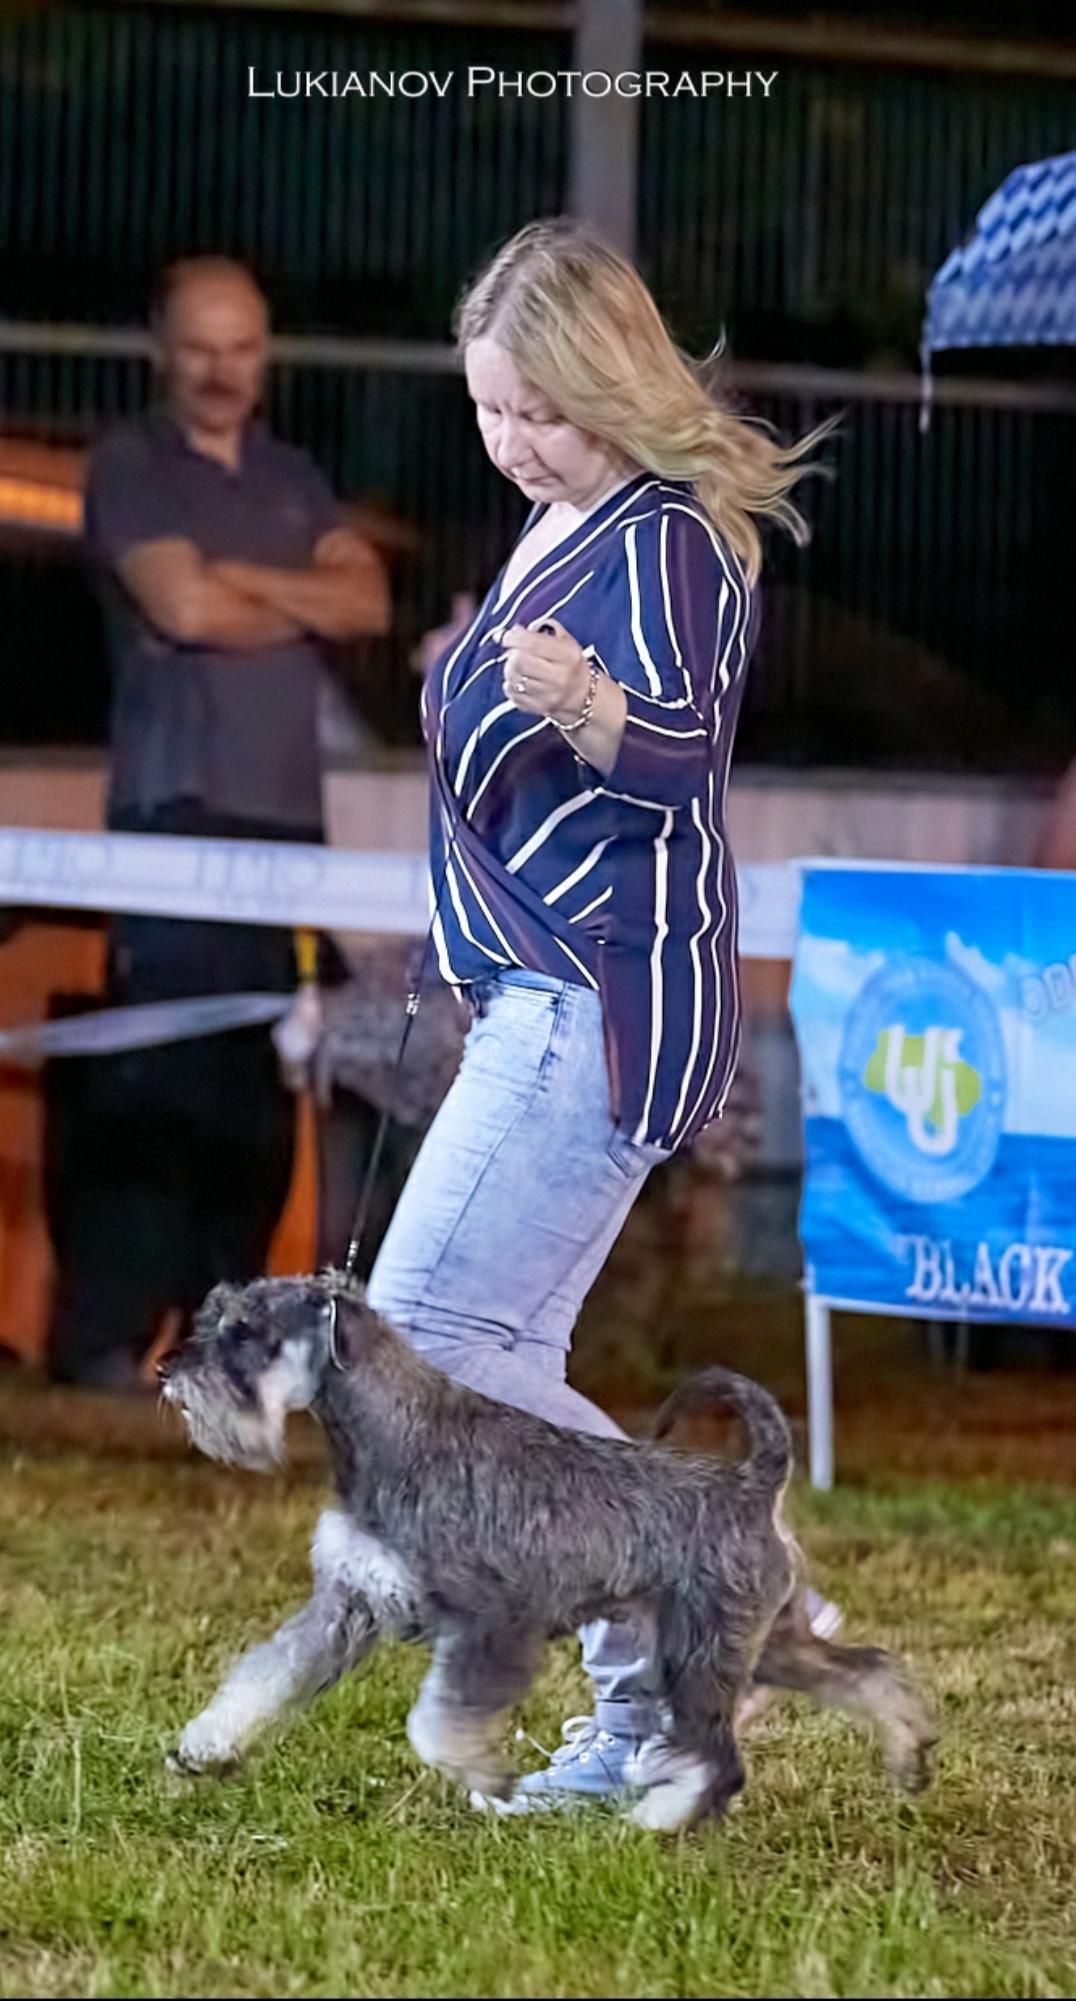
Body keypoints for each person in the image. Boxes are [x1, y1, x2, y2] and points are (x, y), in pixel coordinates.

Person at [365, 216, 837, 1810]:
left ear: (610, 385)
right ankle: (666, 1685)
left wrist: (585, 705)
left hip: (600, 995)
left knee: (433, 1350)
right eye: (487, 408)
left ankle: (697, 1597)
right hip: (542, 990)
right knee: (486, 1354)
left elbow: (684, 754)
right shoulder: (558, 520)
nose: (509, 441)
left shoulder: (668, 536)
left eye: (538, 411)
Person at [48, 256, 389, 1389]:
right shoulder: (131, 467)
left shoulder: (292, 475)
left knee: (255, 1091)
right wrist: (292, 593)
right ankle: (104, 1339)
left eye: (241, 348)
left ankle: (227, 1346)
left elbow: (367, 601)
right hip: (174, 815)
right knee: (156, 1081)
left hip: (286, 825)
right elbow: (182, 606)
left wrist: (244, 578)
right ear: (160, 349)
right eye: (199, 346)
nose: (220, 370)